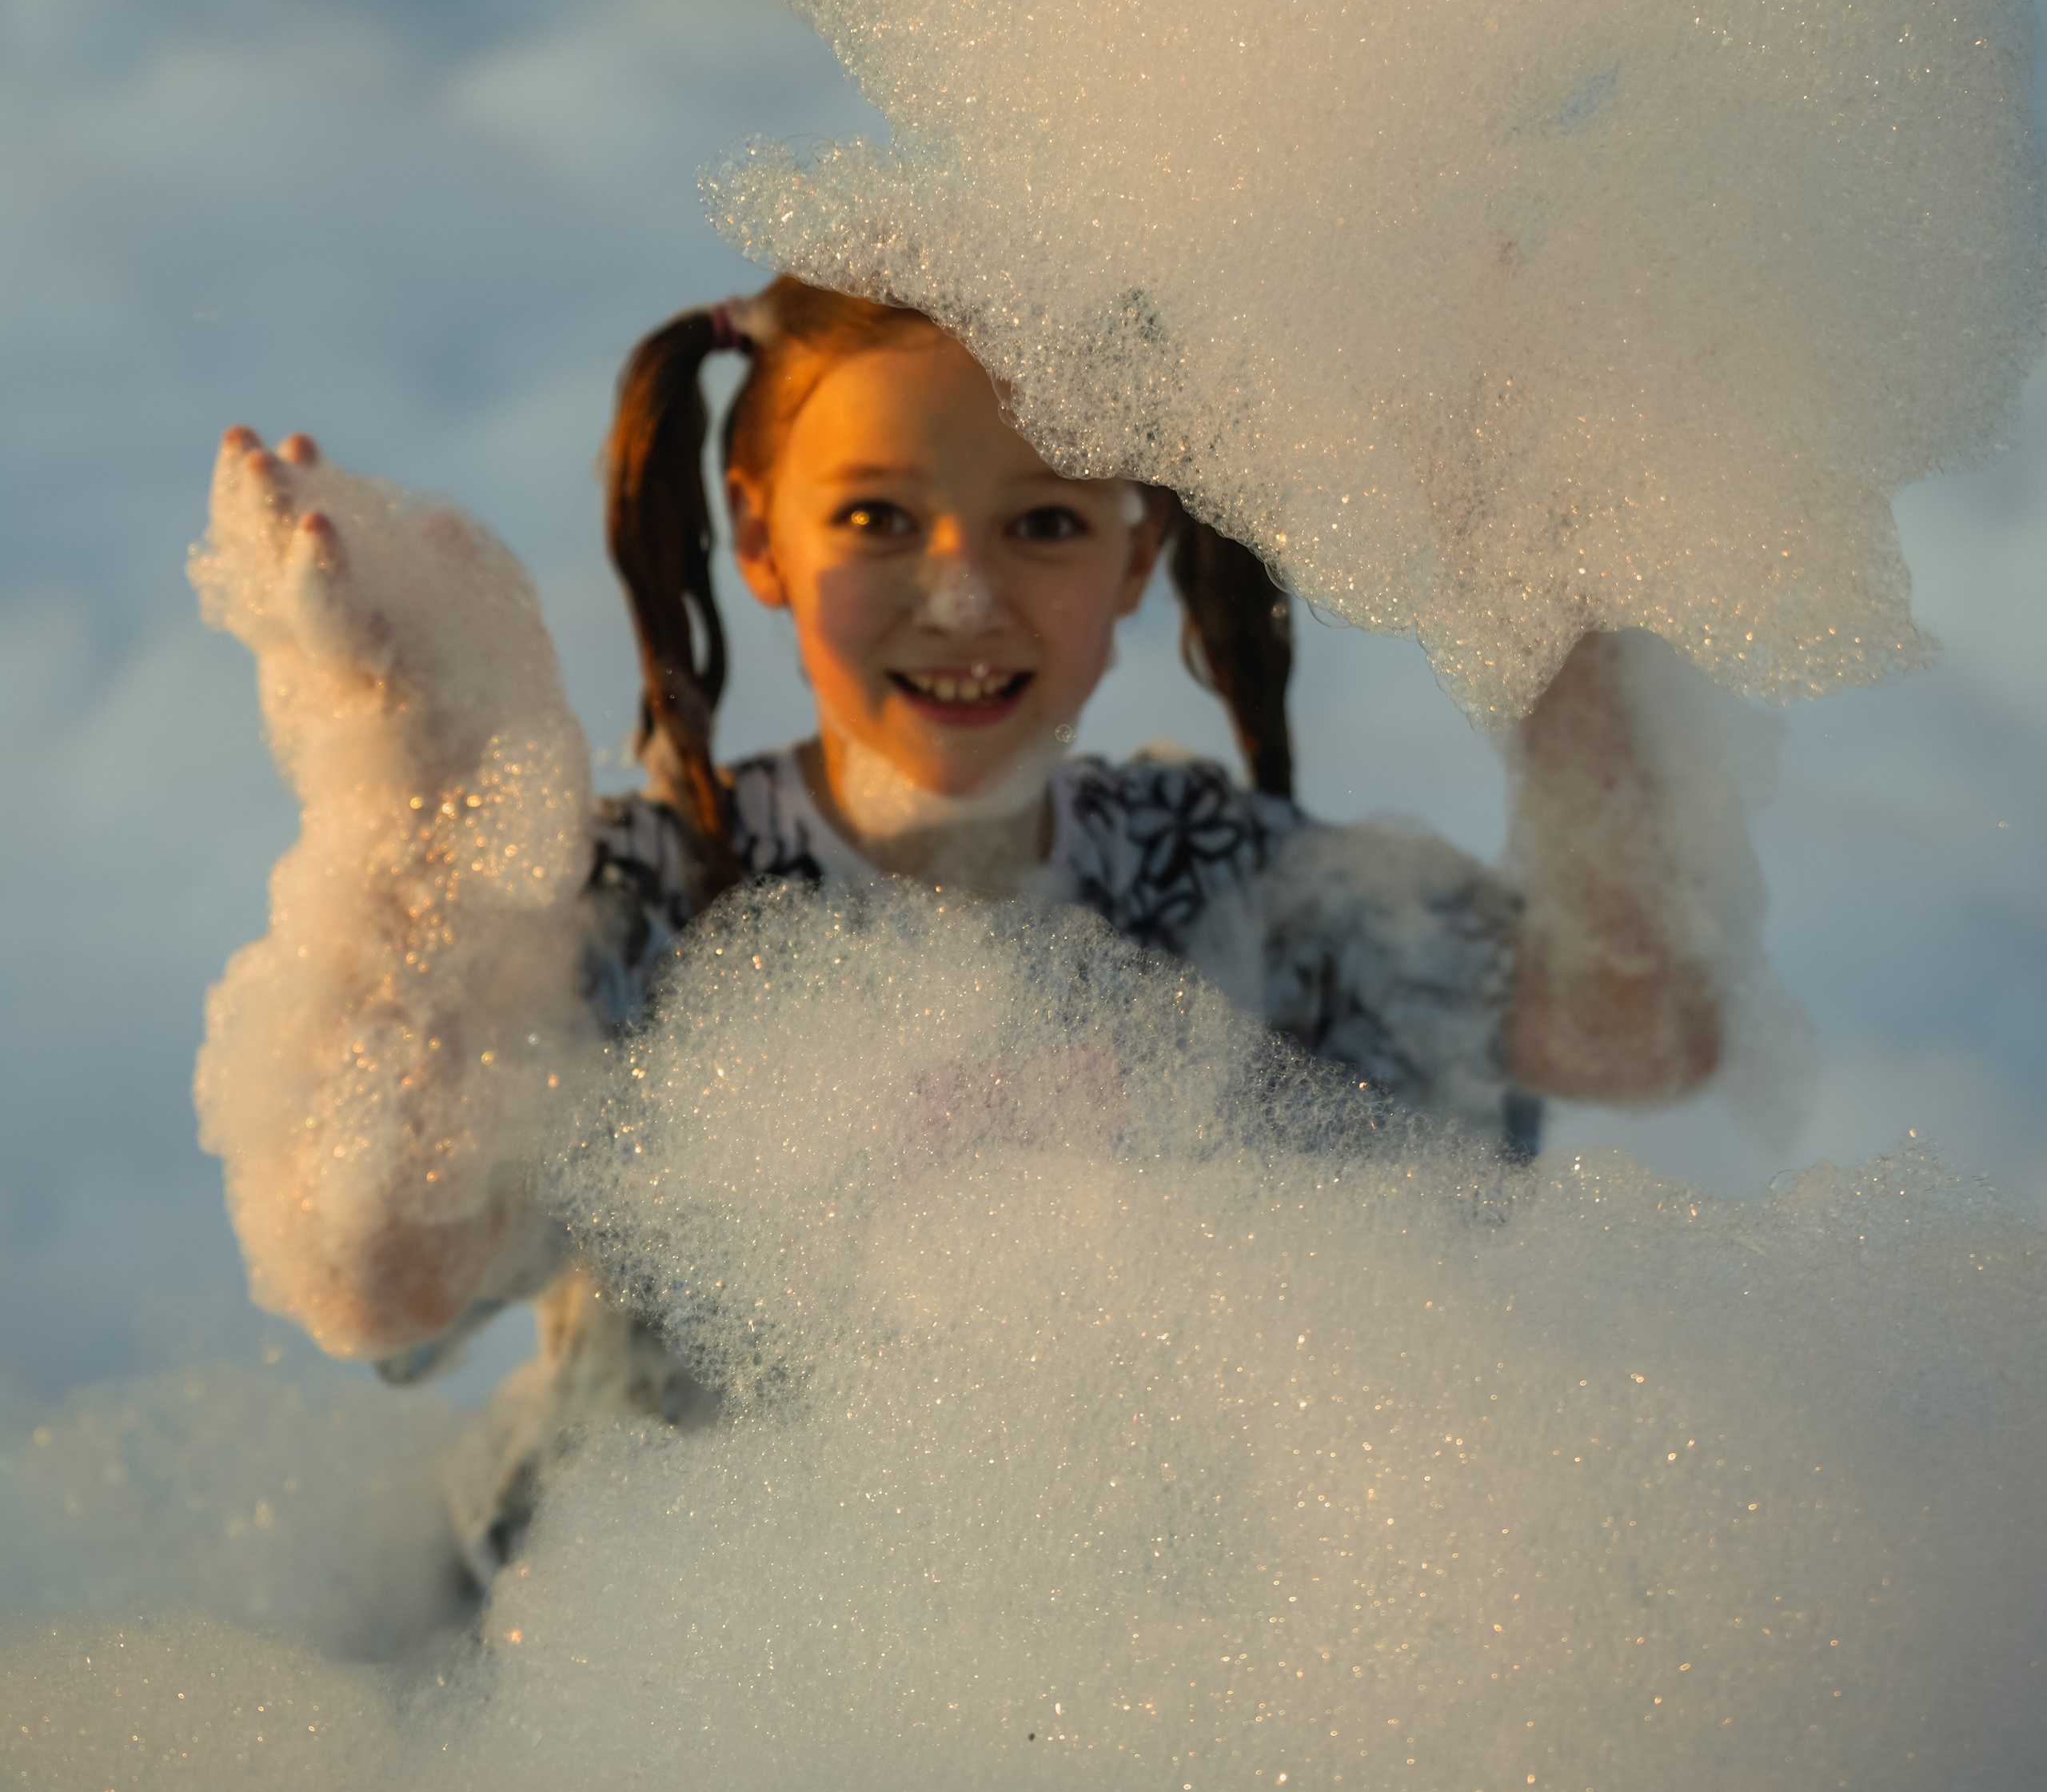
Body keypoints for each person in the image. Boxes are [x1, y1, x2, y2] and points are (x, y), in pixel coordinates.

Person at [209, 276, 1720, 1579]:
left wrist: (1539, 563)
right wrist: (413, 787)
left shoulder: (1214, 886)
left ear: (1138, 558)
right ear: (760, 534)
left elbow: (1631, 1028)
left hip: (1070, 1680)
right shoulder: (654, 901)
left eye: (1046, 522)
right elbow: (380, 1278)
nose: (963, 592)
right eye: (875, 516)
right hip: (632, 1676)